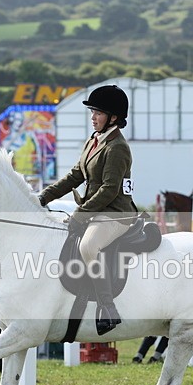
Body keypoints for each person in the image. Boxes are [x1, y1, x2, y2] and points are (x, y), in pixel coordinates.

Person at [38, 84, 137, 335]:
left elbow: (109, 190)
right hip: (96, 211)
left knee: (88, 247)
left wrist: (80, 215)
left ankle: (107, 307)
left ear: (113, 118)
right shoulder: (93, 141)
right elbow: (75, 176)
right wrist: (42, 197)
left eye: (98, 113)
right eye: (92, 112)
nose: (93, 117)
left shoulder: (117, 147)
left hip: (115, 213)